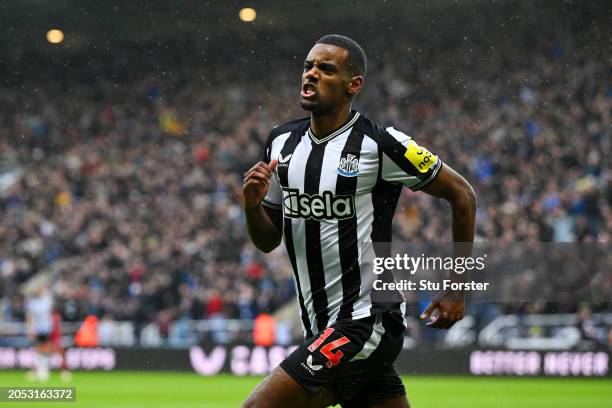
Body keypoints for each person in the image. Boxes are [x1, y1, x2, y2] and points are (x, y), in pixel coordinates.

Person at [242, 34, 476, 408]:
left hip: (368, 321)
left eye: (326, 69)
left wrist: (457, 288)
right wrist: (252, 207)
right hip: (321, 326)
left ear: (354, 85)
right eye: (308, 66)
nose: (311, 74)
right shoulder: (280, 143)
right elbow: (268, 240)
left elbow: (463, 196)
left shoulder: (381, 143)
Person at [25, 285, 54, 381]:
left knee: (46, 348)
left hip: (46, 329)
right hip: (37, 329)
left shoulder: (47, 301)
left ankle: (44, 369)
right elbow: (29, 317)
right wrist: (30, 329)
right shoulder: (33, 303)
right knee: (38, 349)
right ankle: (39, 370)